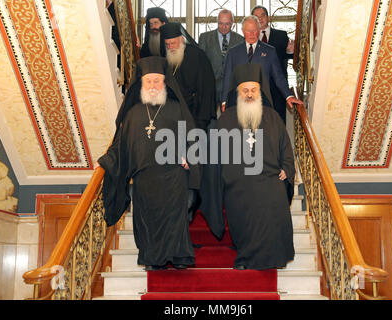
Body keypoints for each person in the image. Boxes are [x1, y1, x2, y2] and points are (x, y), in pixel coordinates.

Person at [97, 56, 200, 271]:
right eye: (149, 81)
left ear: (165, 83)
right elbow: (120, 144)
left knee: (175, 218)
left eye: (157, 81)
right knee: (147, 220)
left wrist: (187, 155)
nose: (153, 85)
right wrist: (106, 161)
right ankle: (153, 258)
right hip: (144, 177)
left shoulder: (175, 108)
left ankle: (179, 256)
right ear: (141, 84)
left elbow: (191, 135)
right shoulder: (133, 113)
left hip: (173, 175)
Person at [200, 63, 295, 270]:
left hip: (270, 181)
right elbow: (214, 156)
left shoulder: (273, 117)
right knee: (243, 220)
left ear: (260, 92)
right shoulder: (225, 120)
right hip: (238, 186)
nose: (250, 94)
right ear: (238, 92)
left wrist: (286, 169)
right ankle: (245, 257)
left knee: (274, 209)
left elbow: (286, 148)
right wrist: (221, 178)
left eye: (254, 90)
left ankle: (274, 259)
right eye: (245, 90)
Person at [221, 16, 302, 113]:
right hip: (238, 104)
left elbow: (279, 77)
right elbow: (227, 79)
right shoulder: (233, 52)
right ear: (242, 31)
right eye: (248, 31)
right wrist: (224, 101)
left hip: (262, 105)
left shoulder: (270, 51)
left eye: (255, 30)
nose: (252, 34)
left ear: (259, 30)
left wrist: (289, 96)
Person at [160, 22, 217, 130]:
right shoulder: (166, 58)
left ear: (181, 40)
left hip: (194, 113)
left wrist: (202, 117)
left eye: (173, 43)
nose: (170, 47)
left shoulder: (197, 55)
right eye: (167, 45)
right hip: (172, 113)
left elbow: (207, 87)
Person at [252, 5, 294, 124]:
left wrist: (290, 51)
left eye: (262, 15)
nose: (260, 19)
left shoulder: (281, 35)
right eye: (256, 16)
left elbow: (288, 56)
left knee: (278, 123)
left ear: (268, 17)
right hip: (256, 89)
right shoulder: (250, 38)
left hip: (278, 88)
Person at [198, 9, 243, 108]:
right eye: (220, 23)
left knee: (230, 119)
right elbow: (200, 64)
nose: (223, 27)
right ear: (217, 22)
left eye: (227, 24)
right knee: (210, 120)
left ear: (232, 23)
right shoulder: (205, 37)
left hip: (231, 88)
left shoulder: (240, 39)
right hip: (210, 87)